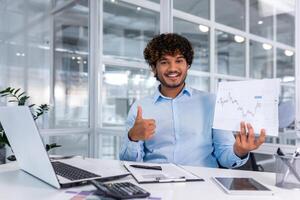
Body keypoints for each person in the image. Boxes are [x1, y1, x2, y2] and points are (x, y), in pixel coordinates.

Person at [119, 33, 266, 168]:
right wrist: (133, 138)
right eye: (164, 62)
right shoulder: (140, 108)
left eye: (179, 61)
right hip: (157, 185)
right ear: (153, 67)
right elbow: (128, 163)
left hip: (203, 187)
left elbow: (226, 158)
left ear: (187, 65)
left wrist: (239, 151)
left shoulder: (211, 102)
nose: (172, 68)